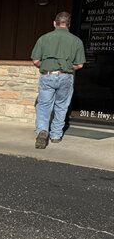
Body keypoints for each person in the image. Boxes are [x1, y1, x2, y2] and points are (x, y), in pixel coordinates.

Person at [31, 11, 85, 149]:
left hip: (47, 75)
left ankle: (43, 131)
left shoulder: (43, 38)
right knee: (61, 105)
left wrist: (47, 65)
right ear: (68, 25)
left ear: (54, 23)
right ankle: (55, 135)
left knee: (43, 105)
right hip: (66, 76)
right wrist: (66, 66)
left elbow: (36, 60)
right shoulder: (76, 41)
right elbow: (79, 65)